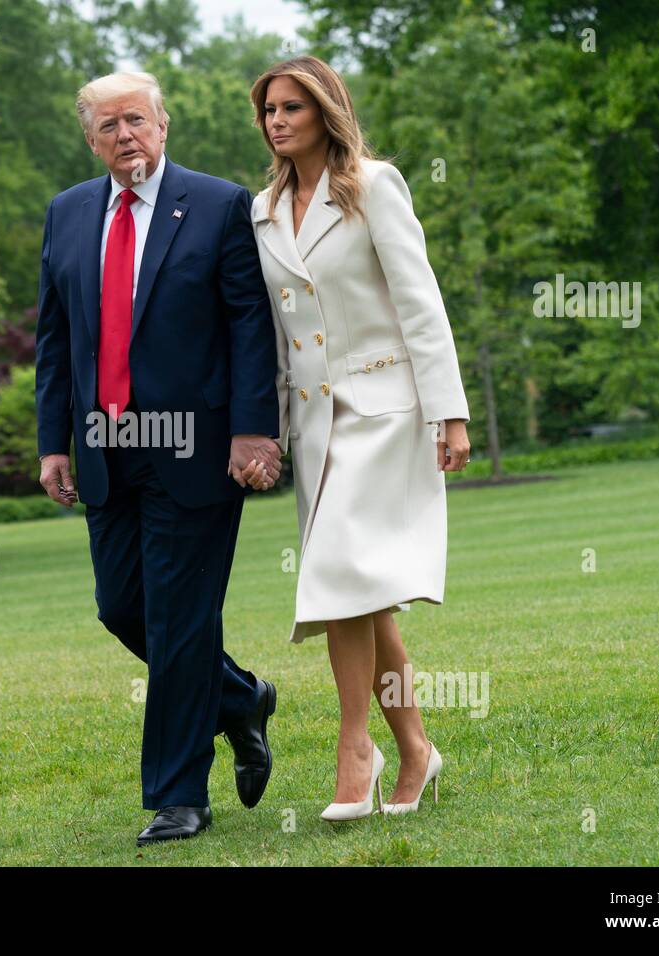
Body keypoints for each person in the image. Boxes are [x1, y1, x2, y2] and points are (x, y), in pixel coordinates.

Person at [34, 71, 282, 847]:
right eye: (107, 126)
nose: (124, 136)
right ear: (90, 139)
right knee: (123, 608)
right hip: (107, 449)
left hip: (195, 446)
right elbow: (53, 338)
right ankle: (241, 697)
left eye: (135, 119)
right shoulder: (68, 213)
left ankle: (178, 797)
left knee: (179, 620)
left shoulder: (217, 204)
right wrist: (52, 442)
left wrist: (253, 430)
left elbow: (249, 324)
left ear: (163, 125)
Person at [242, 56, 472, 821]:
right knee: (365, 593)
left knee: (343, 572)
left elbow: (421, 303)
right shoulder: (263, 209)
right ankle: (415, 750)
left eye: (291, 107)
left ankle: (354, 750)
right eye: (269, 109)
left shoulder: (375, 186)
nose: (277, 121)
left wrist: (451, 411)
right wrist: (267, 436)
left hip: (388, 413)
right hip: (316, 431)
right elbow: (279, 338)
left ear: (325, 110)